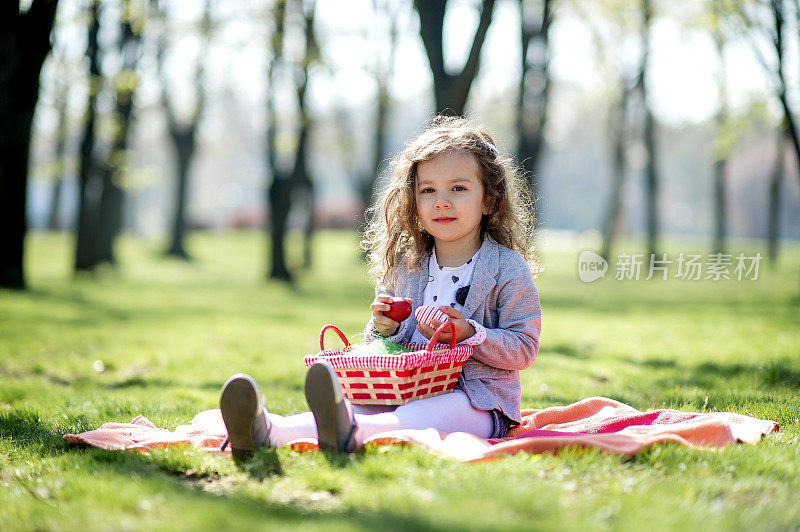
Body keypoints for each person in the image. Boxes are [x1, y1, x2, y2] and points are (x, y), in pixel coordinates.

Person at [219, 115, 542, 460]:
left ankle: (347, 434)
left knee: (413, 418)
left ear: (489, 200)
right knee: (359, 407)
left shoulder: (506, 267)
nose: (441, 201)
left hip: (478, 400)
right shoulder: (407, 265)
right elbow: (382, 346)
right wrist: (382, 327)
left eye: (458, 188)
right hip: (405, 390)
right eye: (428, 190)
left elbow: (524, 346)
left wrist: (470, 334)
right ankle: (266, 429)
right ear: (413, 201)